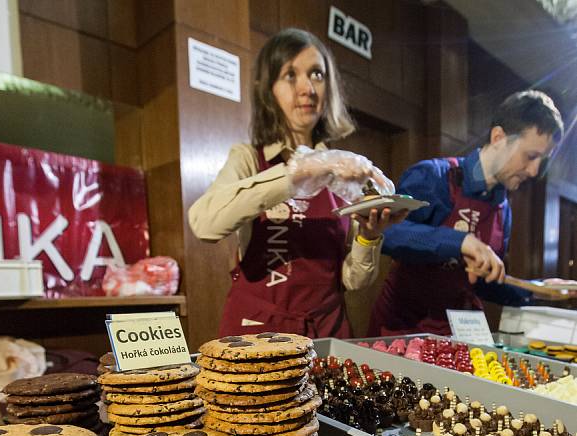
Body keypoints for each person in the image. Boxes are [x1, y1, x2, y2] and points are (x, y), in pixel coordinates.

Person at [189, 28, 405, 338]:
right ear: (268, 90)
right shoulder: (249, 158)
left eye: (317, 74)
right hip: (257, 333)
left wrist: (368, 237)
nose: (308, 88)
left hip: (325, 334)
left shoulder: (342, 171)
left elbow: (353, 280)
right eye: (291, 75)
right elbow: (204, 223)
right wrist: (299, 173)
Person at [368, 90, 564, 336]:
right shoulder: (435, 176)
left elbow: (484, 283)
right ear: (498, 137)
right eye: (531, 156)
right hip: (401, 329)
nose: (535, 171)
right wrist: (461, 242)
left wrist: (536, 289)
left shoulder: (503, 210)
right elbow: (389, 233)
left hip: (457, 334)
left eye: (542, 161)